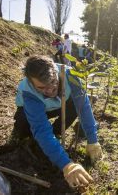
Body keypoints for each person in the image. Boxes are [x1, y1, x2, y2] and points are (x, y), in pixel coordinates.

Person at [13, 55, 103, 188]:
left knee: (73, 105)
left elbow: (83, 107)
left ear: (56, 72)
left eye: (53, 83)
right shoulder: (28, 91)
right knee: (24, 130)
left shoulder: (70, 75)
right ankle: (32, 139)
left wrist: (92, 140)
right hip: (31, 110)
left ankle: (55, 134)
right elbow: (41, 130)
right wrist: (66, 164)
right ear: (31, 83)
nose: (49, 91)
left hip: (59, 105)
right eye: (41, 88)